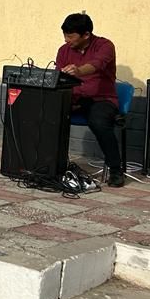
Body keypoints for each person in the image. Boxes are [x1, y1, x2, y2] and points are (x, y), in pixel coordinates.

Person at [56, 13, 124, 187]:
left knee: (99, 122)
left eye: (70, 36)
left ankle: (116, 170)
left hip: (101, 100)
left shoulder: (105, 46)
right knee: (47, 114)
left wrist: (78, 71)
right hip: (73, 98)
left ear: (86, 34)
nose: (66, 40)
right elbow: (59, 77)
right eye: (65, 35)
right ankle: (51, 164)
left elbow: (97, 64)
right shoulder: (64, 50)